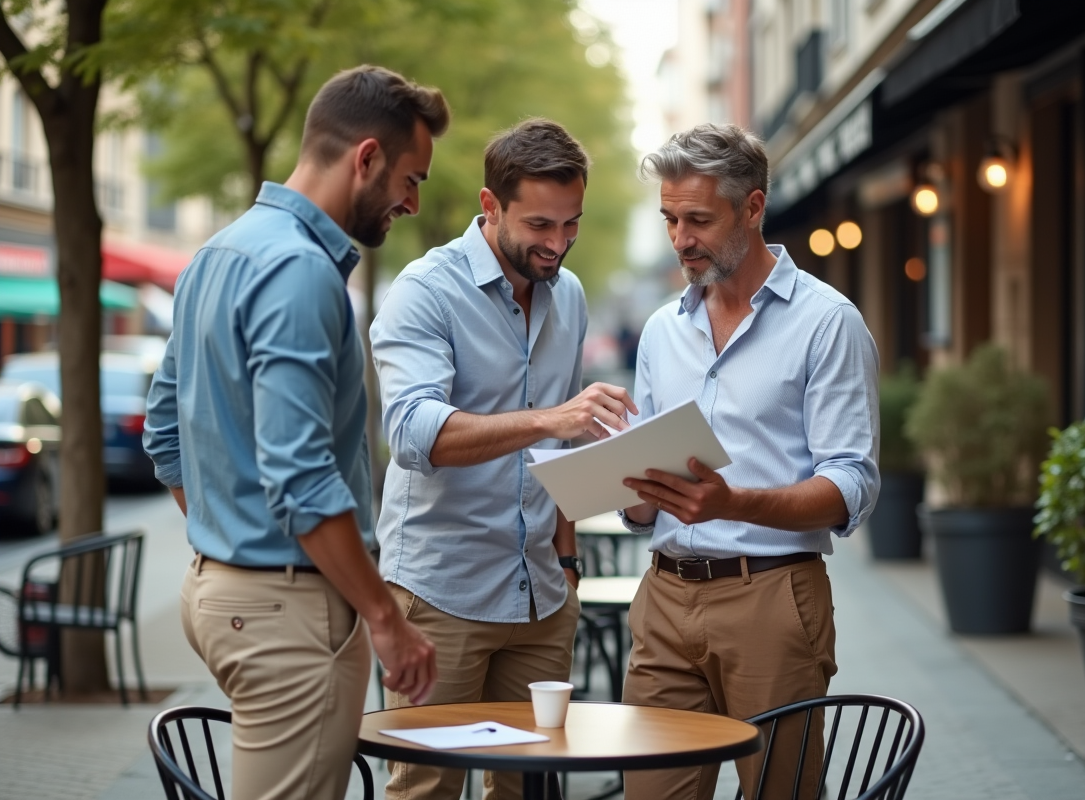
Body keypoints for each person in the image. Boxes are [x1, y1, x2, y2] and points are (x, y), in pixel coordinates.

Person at [143, 66, 448, 800]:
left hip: (219, 593)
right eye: (411, 179)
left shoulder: (218, 252)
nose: (411, 202)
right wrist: (386, 619)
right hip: (288, 615)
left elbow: (164, 435)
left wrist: (230, 544)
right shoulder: (301, 273)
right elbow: (304, 479)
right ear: (365, 157)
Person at [370, 117, 637, 800]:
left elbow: (559, 451)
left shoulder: (568, 296)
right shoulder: (425, 292)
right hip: (440, 595)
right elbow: (414, 434)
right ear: (490, 207)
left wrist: (569, 565)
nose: (558, 244)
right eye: (541, 226)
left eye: (571, 224)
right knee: (428, 788)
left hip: (543, 597)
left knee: (526, 790)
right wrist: (552, 418)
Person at [618, 123, 880, 800]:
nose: (681, 238)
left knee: (779, 793)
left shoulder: (827, 322)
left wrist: (733, 502)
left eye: (699, 219)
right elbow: (641, 498)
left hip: (772, 597)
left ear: (754, 207)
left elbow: (851, 484)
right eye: (671, 218)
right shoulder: (660, 331)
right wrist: (629, 486)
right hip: (665, 599)